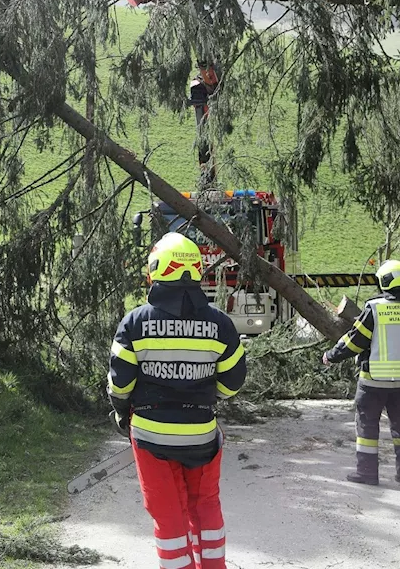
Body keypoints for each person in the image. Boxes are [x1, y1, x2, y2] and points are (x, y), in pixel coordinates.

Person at [109, 232, 247, 569]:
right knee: (205, 507)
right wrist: (205, 395)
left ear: (156, 272)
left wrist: (121, 412)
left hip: (150, 435)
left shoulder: (135, 323)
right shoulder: (220, 324)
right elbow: (233, 382)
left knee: (168, 517)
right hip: (201, 434)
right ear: (197, 271)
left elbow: (120, 383)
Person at [322, 256, 400, 486]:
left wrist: (331, 356)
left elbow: (355, 341)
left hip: (374, 381)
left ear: (384, 282)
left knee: (367, 427)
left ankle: (367, 473)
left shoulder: (375, 308)